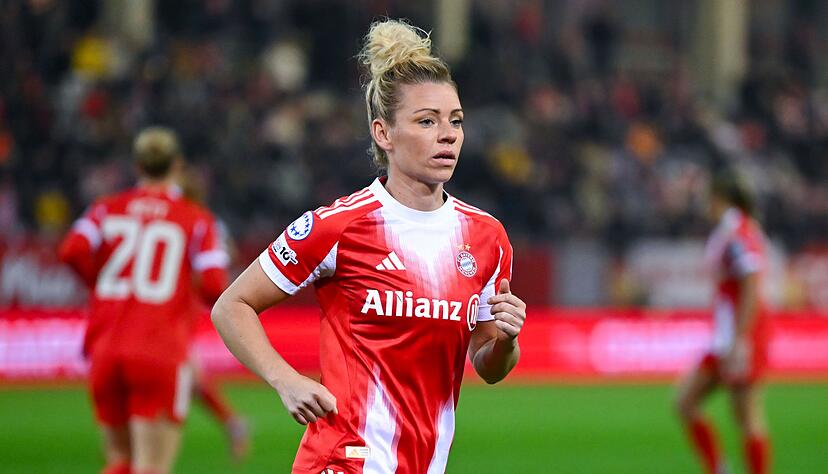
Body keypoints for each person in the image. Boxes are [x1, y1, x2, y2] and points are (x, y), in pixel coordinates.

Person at [211, 19, 527, 474]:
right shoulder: (339, 225)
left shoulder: (486, 236)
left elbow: (489, 363)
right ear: (384, 134)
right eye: (426, 121)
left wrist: (507, 341)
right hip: (343, 460)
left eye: (455, 121)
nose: (448, 134)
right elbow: (231, 305)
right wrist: (286, 381)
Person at [58, 127, 230, 474]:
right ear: (177, 165)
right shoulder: (196, 219)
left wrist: (101, 286)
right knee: (151, 467)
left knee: (120, 461)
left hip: (105, 347)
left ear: (137, 166)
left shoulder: (106, 209)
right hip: (159, 349)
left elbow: (71, 250)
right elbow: (214, 287)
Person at [675, 171, 772, 474]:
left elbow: (751, 284)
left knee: (746, 414)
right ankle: (719, 468)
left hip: (741, 334)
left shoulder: (738, 232)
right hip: (726, 335)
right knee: (686, 402)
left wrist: (742, 338)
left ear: (718, 198)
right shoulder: (731, 230)